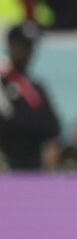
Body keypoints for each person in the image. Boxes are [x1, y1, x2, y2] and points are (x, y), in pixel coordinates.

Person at [0, 22, 60, 171]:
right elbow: (8, 125)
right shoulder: (3, 83)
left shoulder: (36, 87)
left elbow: (53, 126)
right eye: (23, 46)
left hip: (34, 166)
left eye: (31, 47)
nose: (28, 53)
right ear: (11, 46)